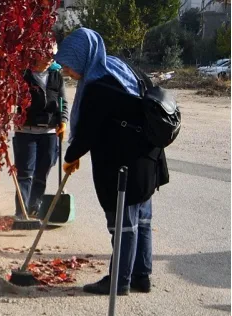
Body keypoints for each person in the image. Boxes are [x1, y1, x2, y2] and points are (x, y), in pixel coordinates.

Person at [56, 28, 169, 295]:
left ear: (84, 56)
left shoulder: (99, 86)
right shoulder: (122, 69)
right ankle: (141, 275)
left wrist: (71, 156)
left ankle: (119, 281)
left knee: (123, 224)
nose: (68, 72)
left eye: (70, 65)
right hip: (148, 157)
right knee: (141, 218)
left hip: (123, 164)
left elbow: (88, 131)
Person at [13, 42, 69, 218]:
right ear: (36, 54)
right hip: (26, 131)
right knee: (25, 174)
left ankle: (34, 208)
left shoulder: (55, 75)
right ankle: (21, 212)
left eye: (52, 56)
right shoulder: (23, 75)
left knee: (42, 172)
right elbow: (11, 99)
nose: (49, 59)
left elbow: (63, 102)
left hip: (50, 133)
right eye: (46, 55)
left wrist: (63, 121)